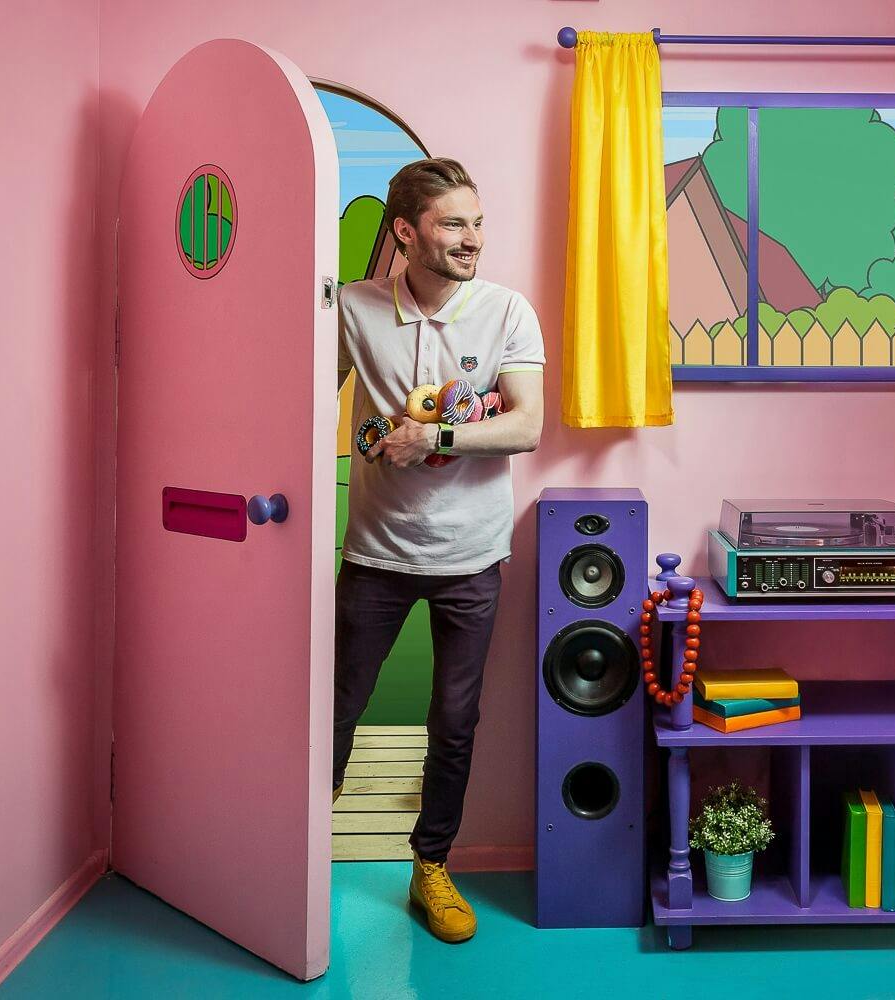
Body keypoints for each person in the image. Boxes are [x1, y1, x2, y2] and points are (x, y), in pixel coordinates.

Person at [331, 158, 543, 944]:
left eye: (477, 223)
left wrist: (437, 437)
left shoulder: (507, 310)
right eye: (453, 223)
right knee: (336, 706)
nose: (472, 238)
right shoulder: (353, 308)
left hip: (472, 557)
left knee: (455, 721)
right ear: (405, 232)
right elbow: (304, 398)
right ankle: (298, 844)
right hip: (375, 554)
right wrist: (368, 435)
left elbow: (527, 425)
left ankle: (431, 867)